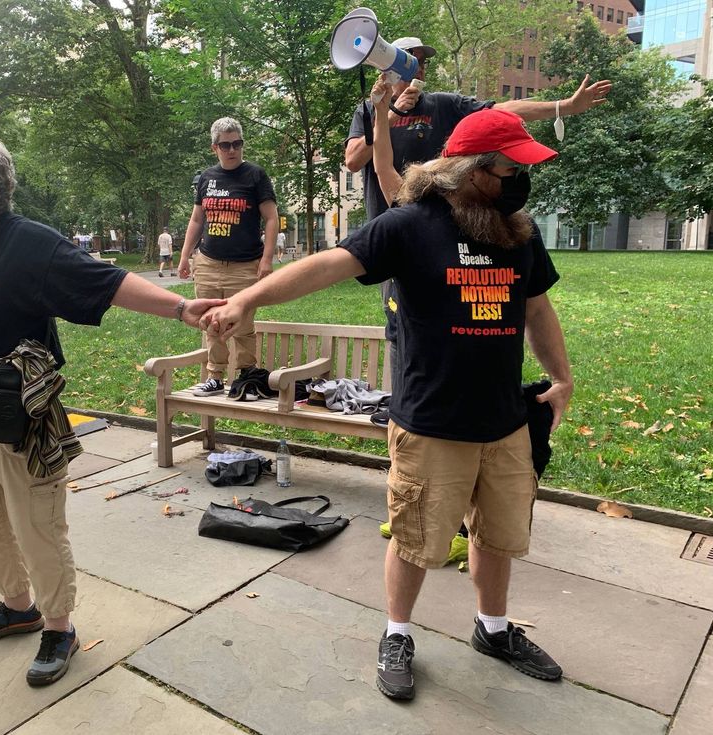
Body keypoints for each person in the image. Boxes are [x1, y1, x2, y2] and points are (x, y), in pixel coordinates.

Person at [201, 108, 573, 701]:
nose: (520, 182)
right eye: (511, 170)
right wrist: (248, 299)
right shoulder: (410, 225)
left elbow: (537, 308)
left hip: (504, 422)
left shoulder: (517, 232)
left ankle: (494, 628)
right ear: (473, 171)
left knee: (497, 536)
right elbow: (327, 264)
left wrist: (562, 377)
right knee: (415, 539)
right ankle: (397, 633)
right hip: (431, 423)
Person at [0, 130, 223, 688]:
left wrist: (181, 308)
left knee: (36, 524)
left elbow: (108, 282)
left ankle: (58, 626)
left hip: (21, 415)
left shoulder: (30, 244)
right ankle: (17, 606)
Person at [346, 36, 608, 424]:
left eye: (421, 61)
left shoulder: (446, 107)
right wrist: (385, 114)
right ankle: (409, 413)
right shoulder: (406, 207)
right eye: (407, 60)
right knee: (406, 330)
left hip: (494, 414)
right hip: (406, 246)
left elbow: (501, 113)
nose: (418, 68)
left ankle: (472, 415)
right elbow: (368, 163)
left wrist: (562, 107)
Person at [177, 117, 279, 397]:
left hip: (245, 265)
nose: (232, 149)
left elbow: (271, 218)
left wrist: (267, 260)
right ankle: (214, 376)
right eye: (225, 145)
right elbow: (197, 220)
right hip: (208, 263)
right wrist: (185, 256)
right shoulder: (207, 178)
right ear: (215, 148)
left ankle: (247, 375)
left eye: (237, 143)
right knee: (210, 321)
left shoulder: (255, 175)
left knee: (243, 323)